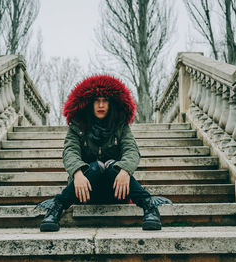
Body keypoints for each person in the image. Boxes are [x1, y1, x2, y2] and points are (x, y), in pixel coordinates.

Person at [36, 75, 171, 232]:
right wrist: (77, 173)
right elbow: (70, 151)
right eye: (96, 100)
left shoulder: (120, 126)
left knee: (111, 165)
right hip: (85, 191)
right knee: (95, 167)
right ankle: (56, 207)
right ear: (89, 103)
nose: (101, 105)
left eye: (105, 100)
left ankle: (149, 207)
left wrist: (125, 170)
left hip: (116, 191)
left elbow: (131, 150)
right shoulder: (77, 127)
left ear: (111, 103)